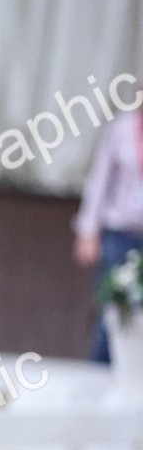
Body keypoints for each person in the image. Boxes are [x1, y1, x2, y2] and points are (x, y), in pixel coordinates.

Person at [72, 104, 143, 362]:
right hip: (120, 233)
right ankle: (99, 377)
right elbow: (99, 182)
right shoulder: (121, 130)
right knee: (112, 314)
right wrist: (87, 231)